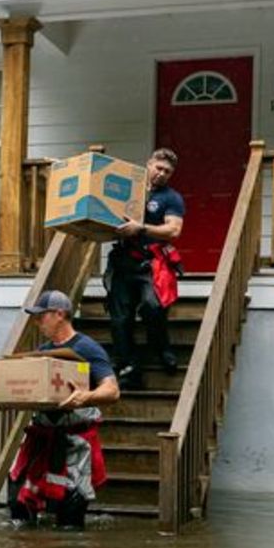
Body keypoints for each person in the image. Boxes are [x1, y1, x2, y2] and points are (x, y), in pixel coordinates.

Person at [6, 290, 121, 528]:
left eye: (42, 316)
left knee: (70, 517)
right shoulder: (44, 352)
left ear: (60, 314)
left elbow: (112, 390)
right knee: (18, 506)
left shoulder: (87, 349)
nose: (37, 322)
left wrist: (85, 397)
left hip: (74, 442)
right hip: (42, 438)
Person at [106, 147, 185, 390]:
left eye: (167, 171)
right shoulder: (127, 189)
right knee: (120, 317)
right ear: (148, 164)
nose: (161, 174)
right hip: (122, 261)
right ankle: (129, 365)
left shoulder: (171, 198)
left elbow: (174, 230)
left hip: (151, 263)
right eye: (158, 168)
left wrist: (141, 229)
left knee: (153, 306)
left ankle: (161, 346)